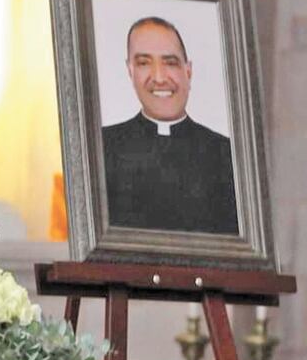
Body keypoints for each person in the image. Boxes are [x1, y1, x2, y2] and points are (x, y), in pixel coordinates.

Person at [101, 16, 239, 234]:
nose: (159, 77)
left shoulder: (228, 155)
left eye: (170, 62)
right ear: (130, 71)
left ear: (188, 71)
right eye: (144, 63)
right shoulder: (101, 148)